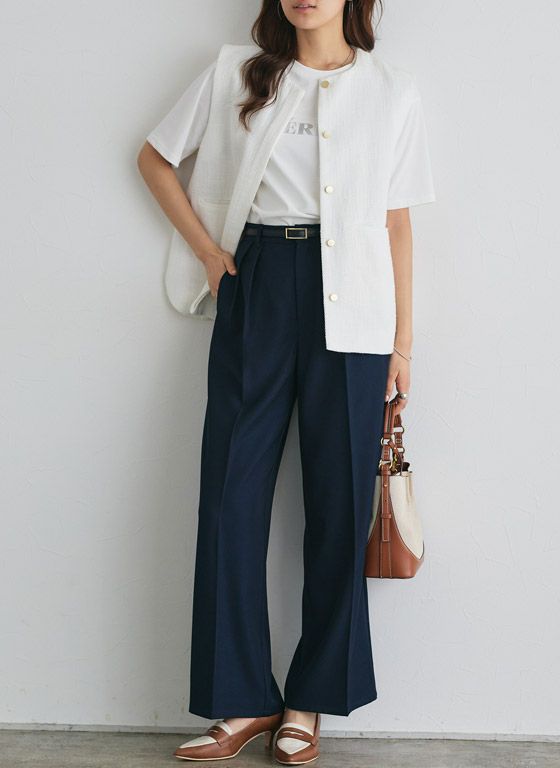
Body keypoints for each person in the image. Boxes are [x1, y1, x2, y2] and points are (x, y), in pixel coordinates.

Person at [137, 0, 435, 763]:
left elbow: (397, 221)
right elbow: (155, 159)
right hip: (259, 279)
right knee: (230, 493)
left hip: (357, 306)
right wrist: (209, 253)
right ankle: (241, 699)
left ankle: (310, 699)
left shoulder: (392, 90)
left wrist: (403, 343)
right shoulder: (236, 72)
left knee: (340, 503)